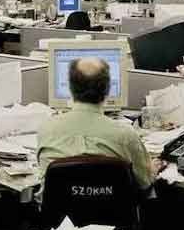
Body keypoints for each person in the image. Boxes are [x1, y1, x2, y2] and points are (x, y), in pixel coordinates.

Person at [37, 57, 158, 190]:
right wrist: (152, 168)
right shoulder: (126, 135)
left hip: (60, 204)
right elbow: (145, 182)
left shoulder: (46, 129)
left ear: (70, 87)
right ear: (107, 88)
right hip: (113, 204)